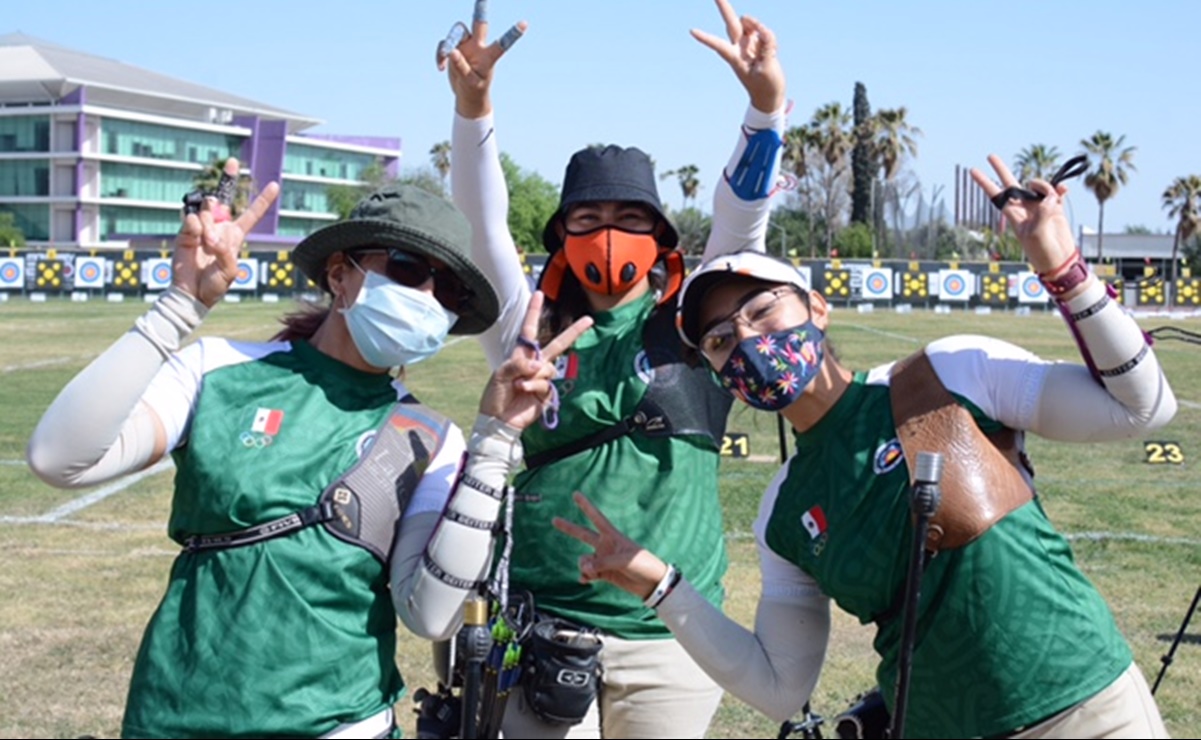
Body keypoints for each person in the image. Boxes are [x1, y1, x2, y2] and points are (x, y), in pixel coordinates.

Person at [554, 154, 1178, 739]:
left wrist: (1063, 270)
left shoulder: (947, 373)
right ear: (717, 374)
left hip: (1089, 709)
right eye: (720, 340)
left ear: (816, 308)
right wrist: (658, 582)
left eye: (763, 310)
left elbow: (1142, 406)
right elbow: (777, 687)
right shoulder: (782, 511)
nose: (745, 340)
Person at [25, 165, 592, 739]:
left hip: (344, 726)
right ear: (339, 275)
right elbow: (59, 458)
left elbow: (432, 613)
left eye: (448, 290)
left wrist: (495, 442)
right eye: (408, 268)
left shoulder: (429, 434)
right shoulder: (218, 370)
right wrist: (178, 307)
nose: (428, 298)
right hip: (175, 716)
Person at [438, 0, 786, 736]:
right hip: (542, 626)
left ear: (660, 238)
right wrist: (473, 112)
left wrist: (763, 109)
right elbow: (480, 220)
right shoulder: (524, 323)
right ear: (560, 234)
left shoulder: (697, 321)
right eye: (586, 220)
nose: (607, 235)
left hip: (674, 634)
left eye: (630, 220)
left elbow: (742, 214)